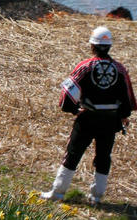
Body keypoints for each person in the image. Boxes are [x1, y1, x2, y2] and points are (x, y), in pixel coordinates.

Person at [41, 26, 136, 204]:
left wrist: (72, 110)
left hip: (87, 118)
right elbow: (128, 98)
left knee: (73, 153)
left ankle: (58, 192)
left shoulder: (85, 67)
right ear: (109, 47)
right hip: (109, 120)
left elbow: (68, 94)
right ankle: (96, 197)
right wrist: (123, 115)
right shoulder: (120, 69)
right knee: (103, 156)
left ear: (92, 46)